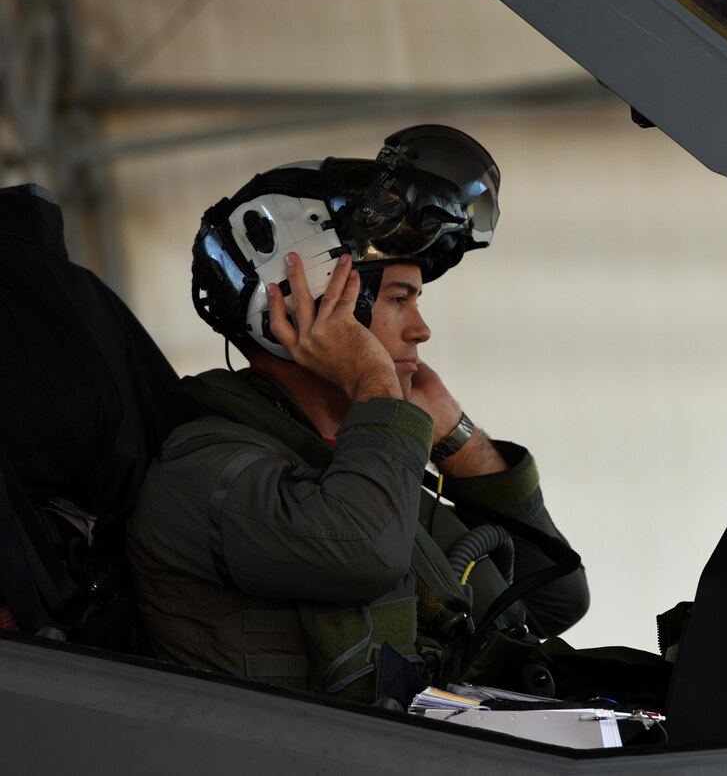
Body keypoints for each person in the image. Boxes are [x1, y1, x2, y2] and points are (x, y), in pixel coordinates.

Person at [126, 124, 589, 703]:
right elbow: (365, 551)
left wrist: (456, 437)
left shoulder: (358, 462)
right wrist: (375, 383)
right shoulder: (203, 474)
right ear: (302, 309)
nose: (421, 329)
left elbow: (555, 599)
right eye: (399, 299)